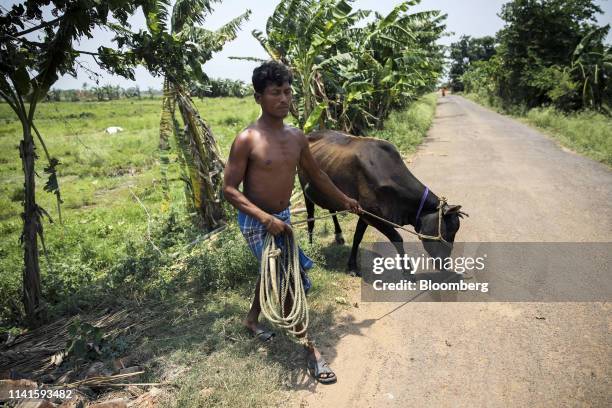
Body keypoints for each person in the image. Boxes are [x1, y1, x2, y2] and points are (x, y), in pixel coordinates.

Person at [223, 61, 361, 384]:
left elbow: (318, 175)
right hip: (256, 220)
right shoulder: (247, 139)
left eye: (287, 92)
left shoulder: (297, 137)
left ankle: (251, 320)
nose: (283, 99)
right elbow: (229, 190)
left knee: (271, 269)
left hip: (281, 218)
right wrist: (264, 217)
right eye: (275, 93)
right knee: (286, 278)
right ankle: (310, 349)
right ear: (258, 97)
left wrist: (344, 200)